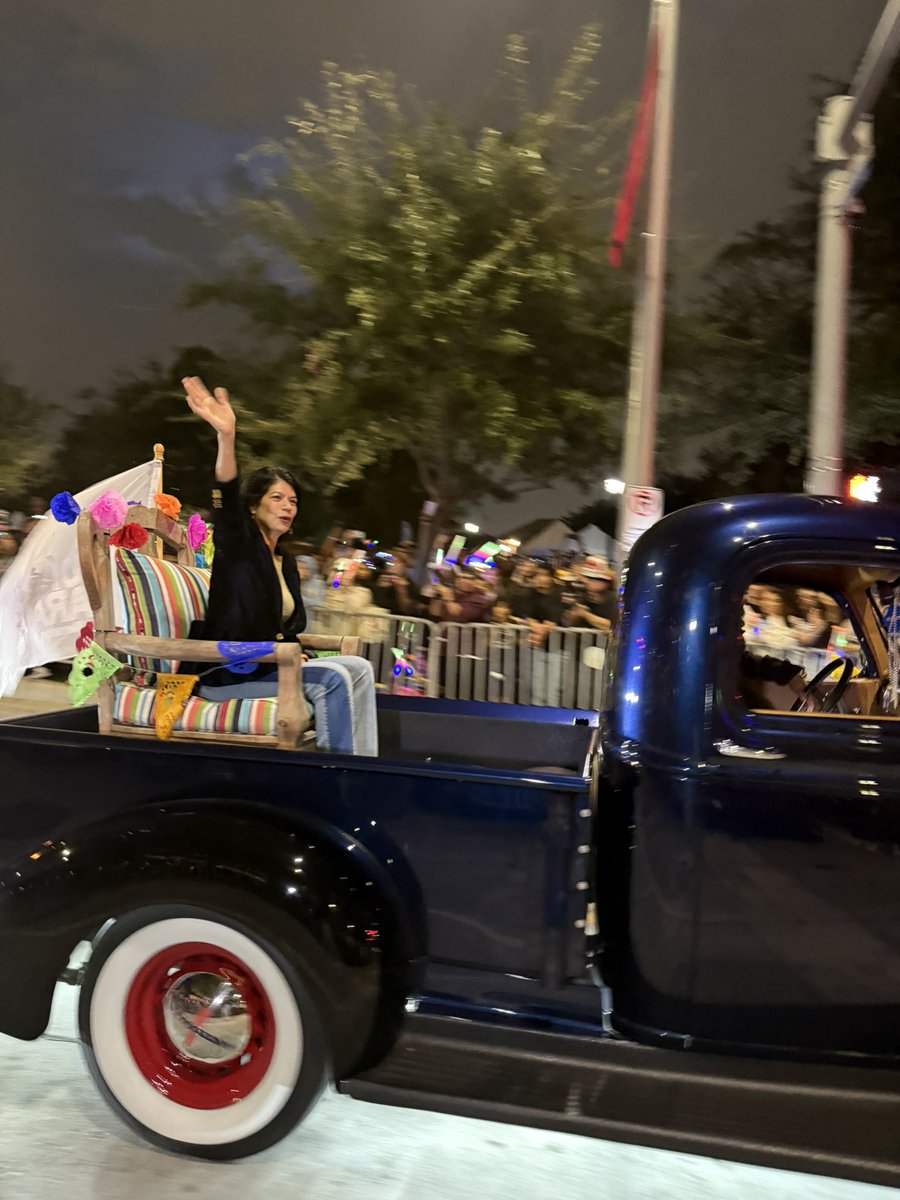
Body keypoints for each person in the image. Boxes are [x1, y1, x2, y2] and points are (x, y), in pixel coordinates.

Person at [182, 376, 377, 756]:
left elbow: (284, 630)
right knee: (334, 678)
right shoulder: (237, 545)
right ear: (253, 506)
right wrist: (226, 437)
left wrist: (291, 650)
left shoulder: (286, 563)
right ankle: (335, 779)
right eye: (278, 498)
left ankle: (364, 768)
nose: (289, 506)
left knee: (359, 667)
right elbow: (224, 495)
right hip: (224, 672)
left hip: (269, 666)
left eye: (293, 501)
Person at [567, 557, 617, 632]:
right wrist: (574, 614)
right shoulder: (584, 597)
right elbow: (568, 622)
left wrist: (586, 614)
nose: (587, 582)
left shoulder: (614, 600)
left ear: (605, 583)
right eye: (588, 578)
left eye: (593, 579)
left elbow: (612, 626)